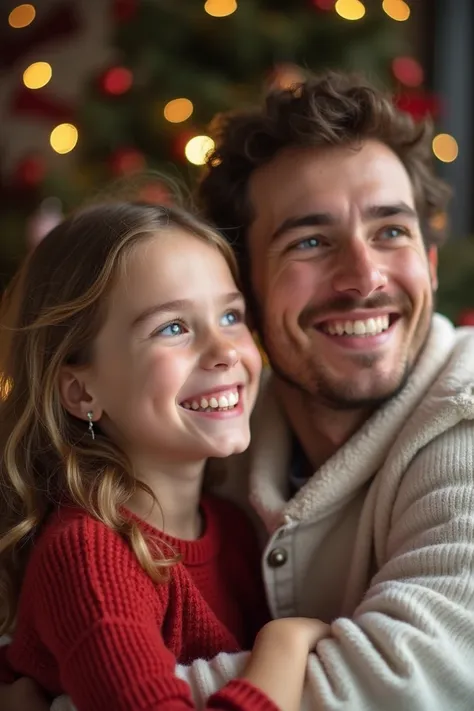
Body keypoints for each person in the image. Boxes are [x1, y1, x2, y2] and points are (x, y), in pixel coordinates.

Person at [3, 70, 474, 711]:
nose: (364, 278)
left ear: (431, 262)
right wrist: (283, 645)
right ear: (257, 292)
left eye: (392, 231)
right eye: (310, 241)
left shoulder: (460, 418)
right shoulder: (217, 470)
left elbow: (417, 681)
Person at [0, 201, 330, 711]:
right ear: (82, 392)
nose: (225, 350)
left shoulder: (237, 531)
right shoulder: (87, 556)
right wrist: (284, 643)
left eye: (230, 315)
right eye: (172, 327)